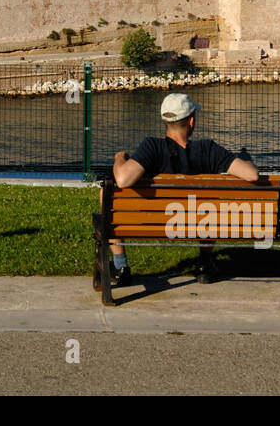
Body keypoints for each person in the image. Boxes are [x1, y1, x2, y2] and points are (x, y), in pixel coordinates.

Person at [106, 92, 259, 286]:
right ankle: (204, 264)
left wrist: (120, 158)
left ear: (165, 121)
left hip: (157, 220)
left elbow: (122, 179)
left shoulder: (151, 147)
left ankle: (120, 266)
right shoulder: (208, 150)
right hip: (198, 219)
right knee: (208, 206)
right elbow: (252, 175)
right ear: (191, 121)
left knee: (107, 195)